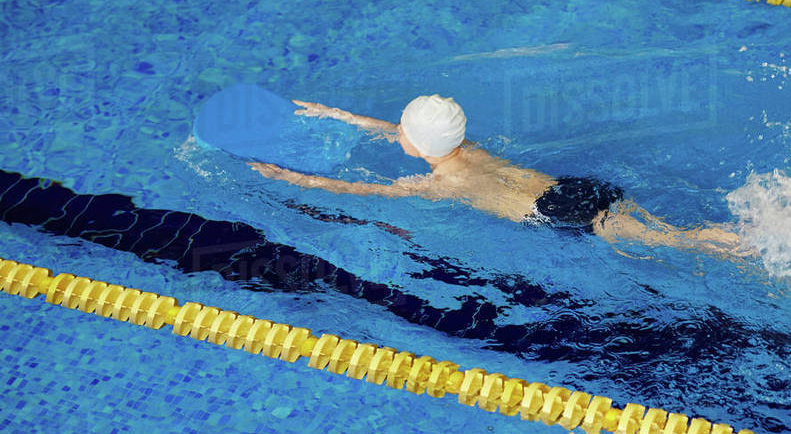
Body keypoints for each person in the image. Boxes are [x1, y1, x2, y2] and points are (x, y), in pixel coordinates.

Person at [249, 95, 746, 258]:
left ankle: (748, 246)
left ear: (416, 145)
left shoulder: (440, 184)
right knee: (667, 231)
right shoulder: (470, 152)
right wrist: (341, 116)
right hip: (572, 188)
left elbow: (359, 189)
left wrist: (294, 179)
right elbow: (409, 132)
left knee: (682, 242)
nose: (394, 132)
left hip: (553, 213)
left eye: (399, 130)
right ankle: (735, 238)